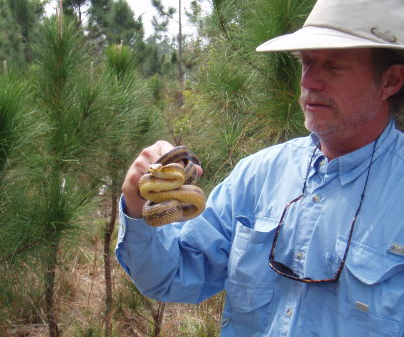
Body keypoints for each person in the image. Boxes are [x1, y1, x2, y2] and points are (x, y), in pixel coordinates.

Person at [115, 0, 404, 336]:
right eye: (307, 63)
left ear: (391, 80)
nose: (311, 80)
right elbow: (171, 276)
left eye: (334, 66)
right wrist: (137, 206)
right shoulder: (259, 175)